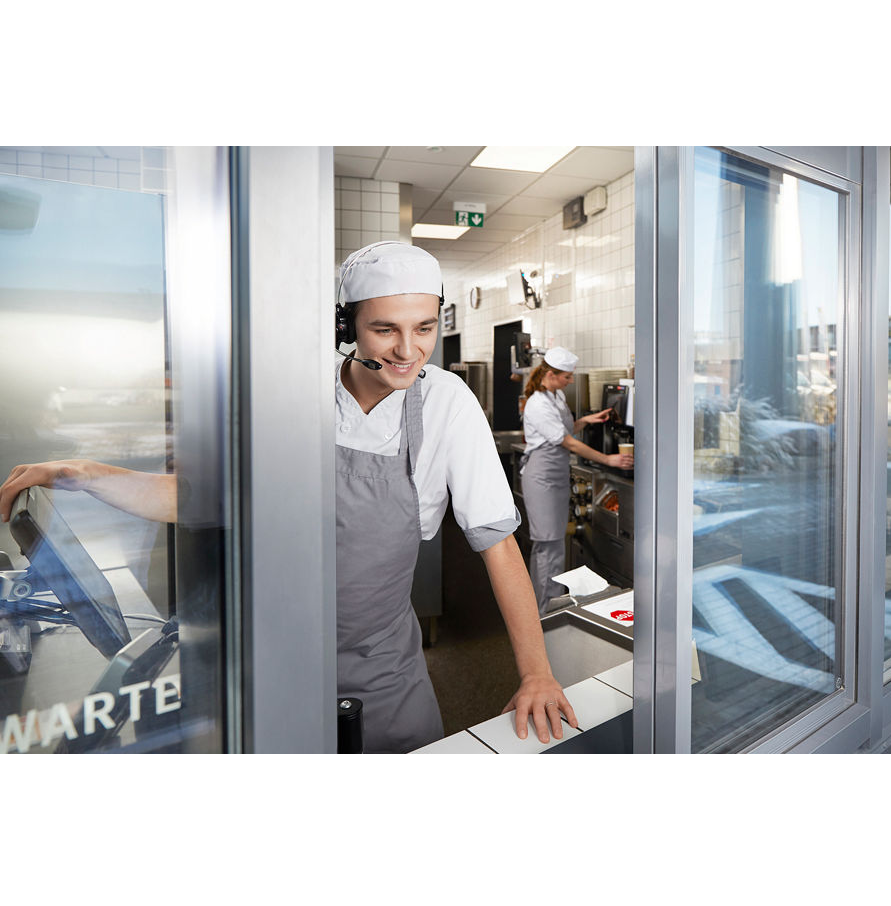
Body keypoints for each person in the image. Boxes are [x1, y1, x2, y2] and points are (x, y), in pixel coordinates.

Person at [1, 241, 578, 755]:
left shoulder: (448, 401)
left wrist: (536, 673)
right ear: (346, 327)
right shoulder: (299, 386)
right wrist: (76, 471)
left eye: (424, 328)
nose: (408, 350)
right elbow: (194, 498)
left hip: (384, 668)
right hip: (272, 655)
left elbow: (498, 543)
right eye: (385, 329)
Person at [520, 347, 634, 615]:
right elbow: (568, 442)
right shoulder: (537, 403)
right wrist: (609, 460)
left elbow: (567, 430)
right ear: (550, 374)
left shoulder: (555, 395)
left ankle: (551, 605)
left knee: (555, 543)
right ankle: (543, 612)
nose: (570, 381)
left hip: (556, 477)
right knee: (548, 546)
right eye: (567, 377)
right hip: (542, 479)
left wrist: (587, 420)